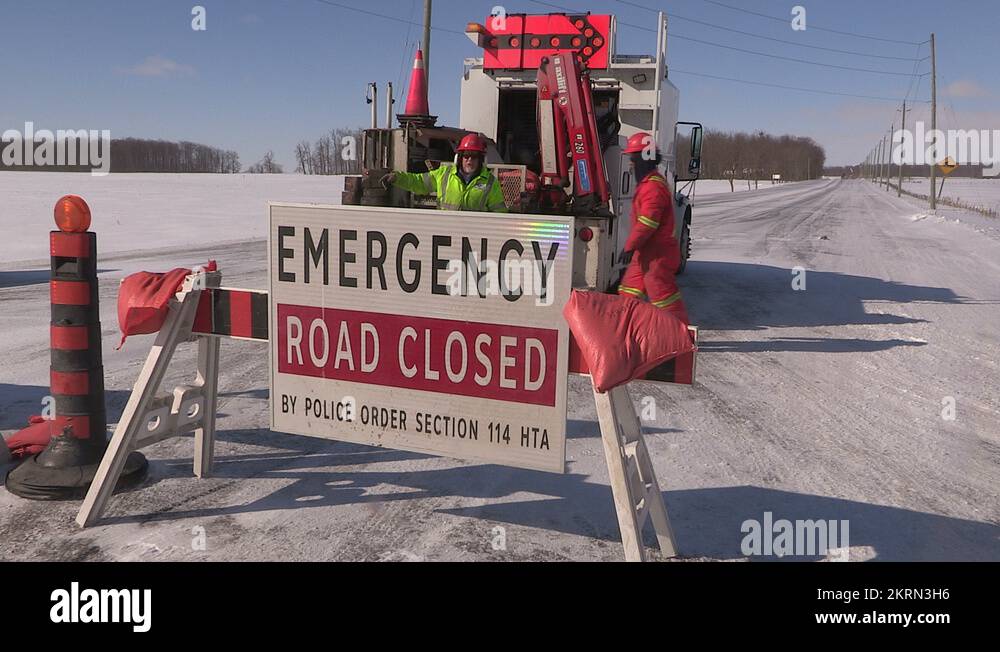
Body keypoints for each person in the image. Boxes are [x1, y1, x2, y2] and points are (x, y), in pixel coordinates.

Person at [617, 131, 690, 325]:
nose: (631, 165)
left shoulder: (653, 187)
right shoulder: (648, 184)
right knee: (629, 291)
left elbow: (647, 222)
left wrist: (629, 246)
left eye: (633, 159)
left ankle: (679, 333)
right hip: (645, 253)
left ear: (643, 159)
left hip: (657, 256)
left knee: (662, 296)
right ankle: (625, 329)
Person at [381, 133, 508, 212]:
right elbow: (418, 182)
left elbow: (499, 213)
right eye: (466, 155)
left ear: (482, 160)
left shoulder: (491, 183)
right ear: (459, 158)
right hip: (445, 235)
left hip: (473, 238)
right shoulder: (443, 174)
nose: (469, 160)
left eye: (474, 156)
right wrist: (397, 178)